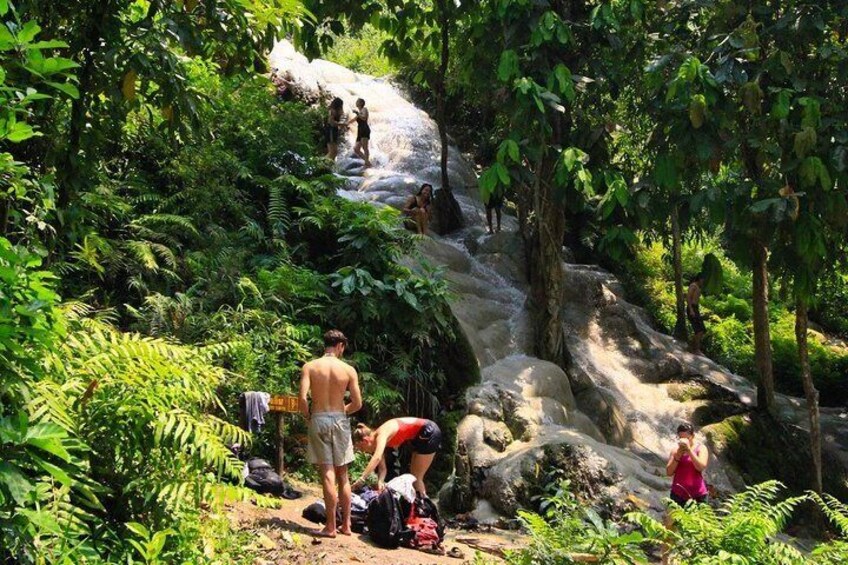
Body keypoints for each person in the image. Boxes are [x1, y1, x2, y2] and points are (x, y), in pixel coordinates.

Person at [298, 329, 362, 537]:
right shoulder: (348, 370)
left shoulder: (310, 367)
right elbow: (358, 403)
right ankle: (346, 525)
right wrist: (343, 411)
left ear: (325, 344)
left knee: (327, 471)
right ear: (340, 346)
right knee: (342, 473)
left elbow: (302, 397)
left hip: (319, 418)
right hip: (339, 419)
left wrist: (309, 415)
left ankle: (330, 526)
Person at [351, 417, 442, 496]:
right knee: (413, 477)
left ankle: (424, 508)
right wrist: (380, 482)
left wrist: (362, 478)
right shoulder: (377, 443)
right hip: (418, 437)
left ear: (366, 441)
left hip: (428, 431)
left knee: (417, 478)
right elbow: (382, 469)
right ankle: (417, 508)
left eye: (362, 448)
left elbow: (377, 458)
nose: (364, 452)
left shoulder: (381, 434)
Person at [666, 422, 709, 506]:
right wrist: (678, 455)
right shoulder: (675, 451)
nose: (684, 441)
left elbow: (700, 467)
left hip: (698, 495)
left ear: (692, 436)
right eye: (681, 438)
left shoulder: (701, 448)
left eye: (686, 438)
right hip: (678, 494)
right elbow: (669, 472)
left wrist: (689, 451)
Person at [687, 273, 706, 355]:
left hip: (696, 308)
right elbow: (688, 297)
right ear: (699, 279)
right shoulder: (693, 286)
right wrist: (691, 310)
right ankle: (695, 349)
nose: (703, 282)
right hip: (692, 308)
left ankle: (692, 347)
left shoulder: (697, 287)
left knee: (702, 330)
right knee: (699, 330)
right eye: (702, 280)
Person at [352, 98, 371, 168]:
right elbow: (353, 120)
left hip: (364, 129)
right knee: (356, 149)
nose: (356, 102)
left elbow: (364, 118)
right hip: (360, 130)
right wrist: (345, 124)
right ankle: (368, 162)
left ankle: (367, 163)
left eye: (357, 101)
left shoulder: (364, 109)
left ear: (360, 103)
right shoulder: (359, 112)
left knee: (364, 147)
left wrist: (357, 113)